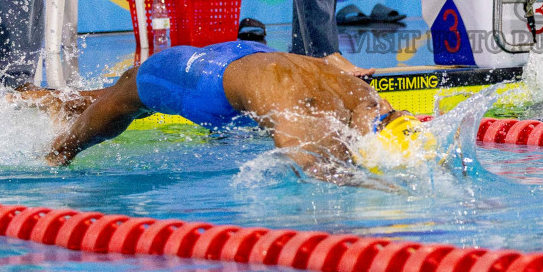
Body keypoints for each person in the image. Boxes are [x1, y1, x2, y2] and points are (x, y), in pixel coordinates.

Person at [26, 41, 436, 181]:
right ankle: (55, 143)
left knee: (119, 90)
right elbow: (316, 170)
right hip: (199, 79)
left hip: (250, 55)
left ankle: (59, 99)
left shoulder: (369, 102)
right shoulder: (296, 107)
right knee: (122, 102)